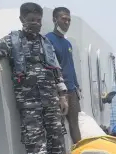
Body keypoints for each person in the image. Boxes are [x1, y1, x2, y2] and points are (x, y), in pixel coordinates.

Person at [0, 2, 68, 154]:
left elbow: (56, 71)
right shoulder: (12, 40)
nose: (35, 23)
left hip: (50, 97)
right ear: (22, 20)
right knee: (34, 136)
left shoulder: (46, 42)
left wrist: (62, 95)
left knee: (56, 132)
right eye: (31, 20)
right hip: (29, 100)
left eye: (38, 20)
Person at [45, 7, 82, 144]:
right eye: (63, 19)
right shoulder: (48, 39)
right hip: (59, 92)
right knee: (58, 127)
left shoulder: (67, 43)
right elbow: (51, 66)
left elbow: (70, 66)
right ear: (55, 19)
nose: (67, 22)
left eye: (69, 20)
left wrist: (77, 87)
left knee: (74, 124)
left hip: (72, 90)